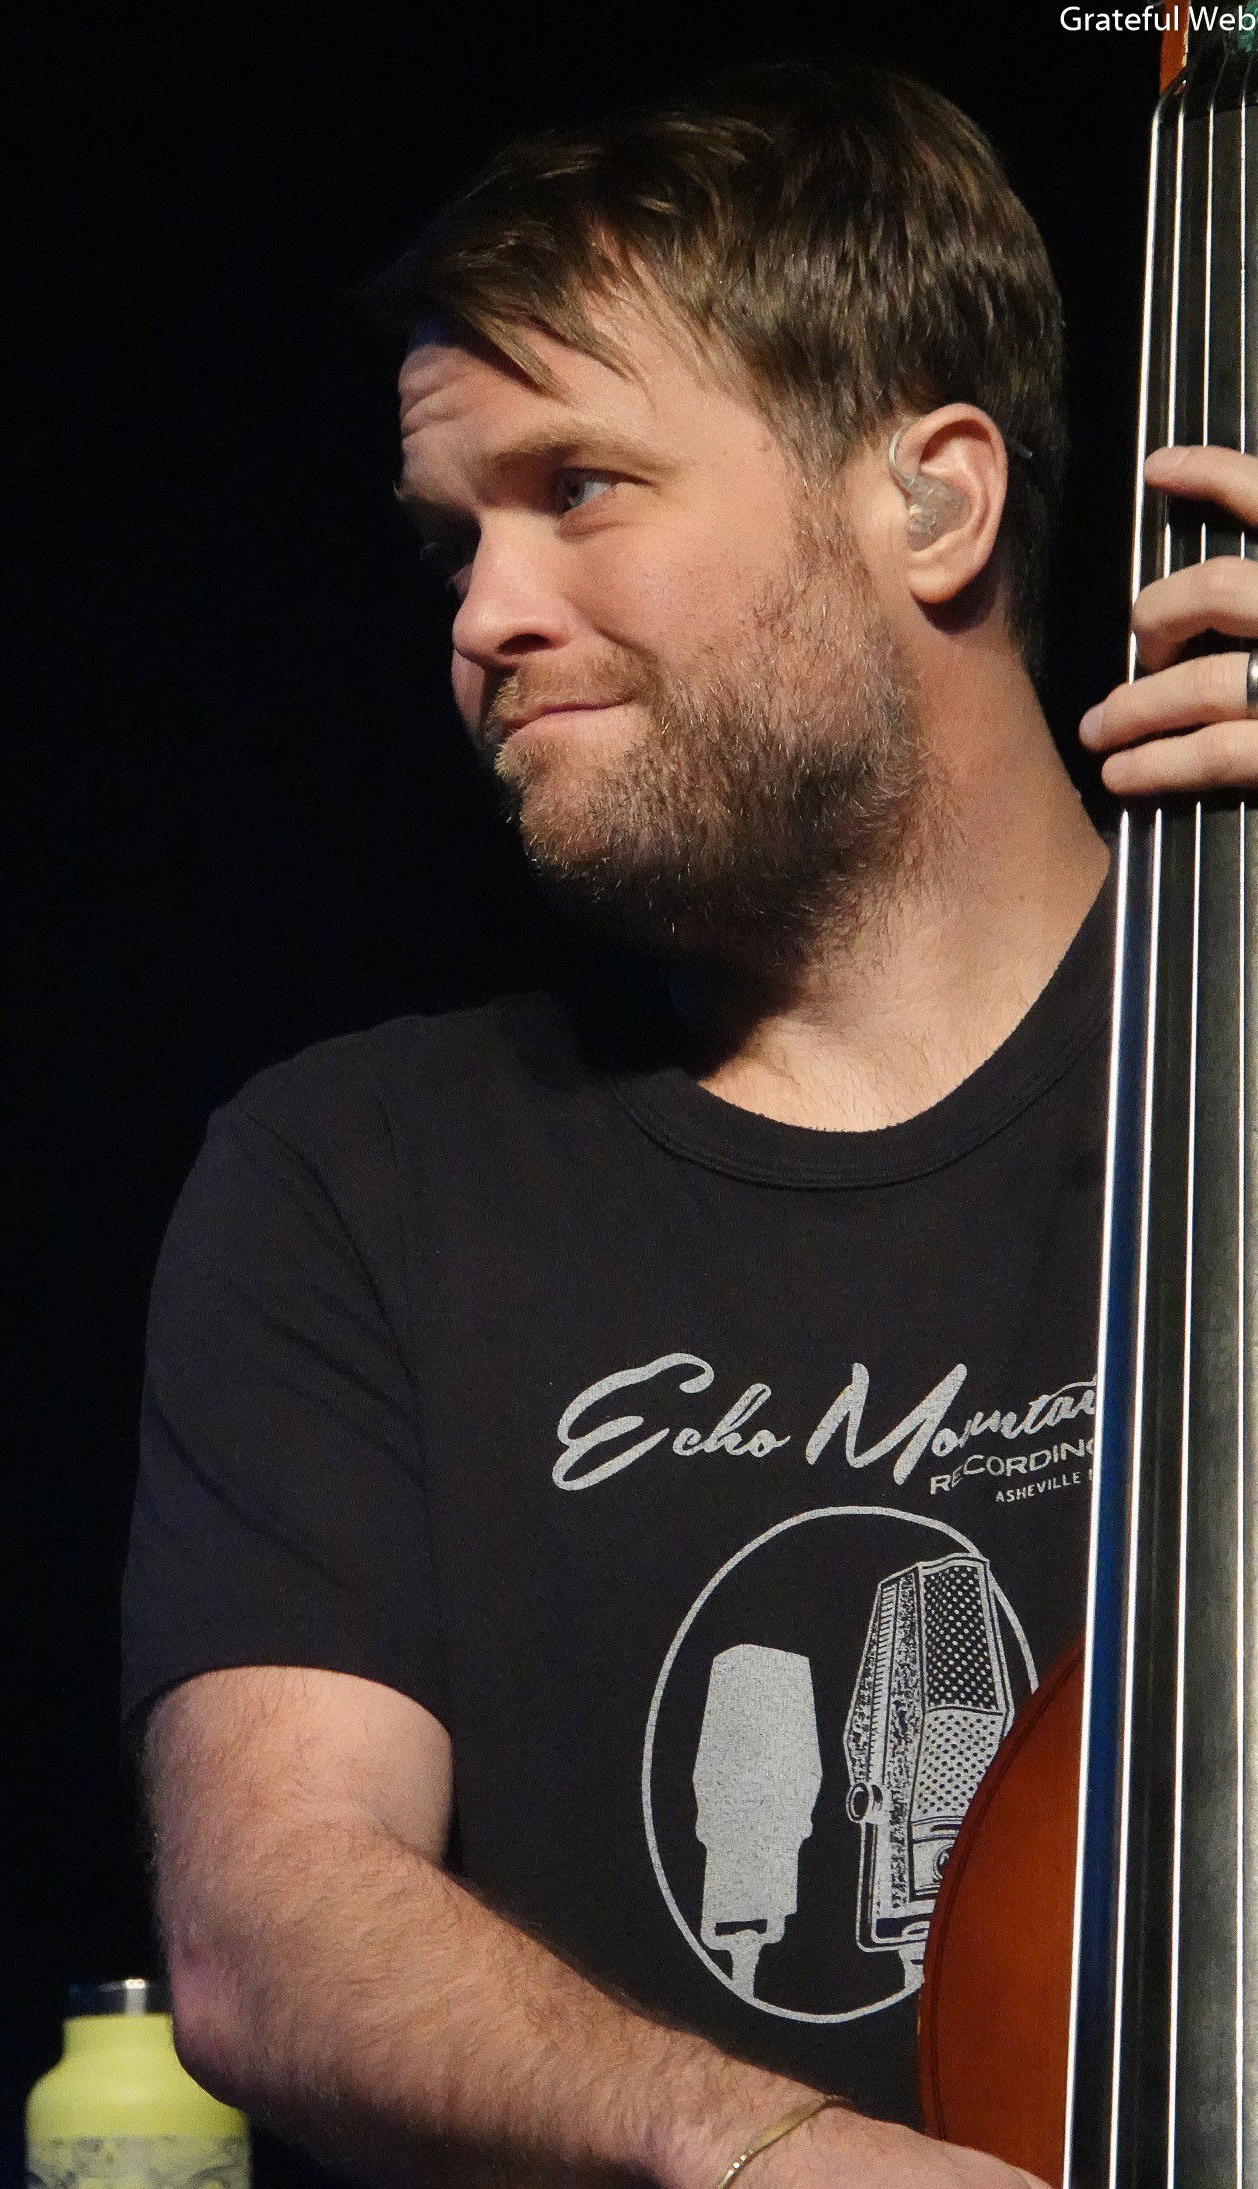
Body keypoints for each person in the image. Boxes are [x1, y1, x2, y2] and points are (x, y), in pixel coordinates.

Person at [121, 60, 1258, 2189]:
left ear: (932, 502)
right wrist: (760, 2151)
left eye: (577, 487)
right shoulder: (355, 1177)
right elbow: (268, 1925)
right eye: (453, 541)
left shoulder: (1243, 1075)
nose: (483, 616)